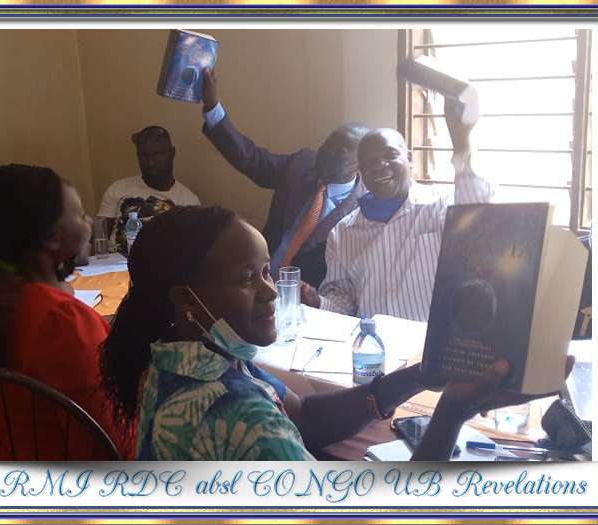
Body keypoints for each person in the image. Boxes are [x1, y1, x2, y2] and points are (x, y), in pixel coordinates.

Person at [98, 205, 566, 461]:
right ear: (185, 299)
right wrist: (450, 415)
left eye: (267, 272)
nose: (269, 292)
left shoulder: (181, 360)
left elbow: (304, 415)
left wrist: (419, 376)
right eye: (246, 279)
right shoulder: (242, 418)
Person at [0, 164, 133, 460]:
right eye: (80, 215)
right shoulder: (60, 321)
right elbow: (115, 448)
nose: (88, 222)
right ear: (53, 238)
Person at [302, 99, 495, 321]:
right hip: (373, 342)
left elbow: (480, 217)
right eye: (370, 162)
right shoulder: (342, 233)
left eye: (391, 155)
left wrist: (462, 142)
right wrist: (319, 302)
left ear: (409, 158)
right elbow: (345, 301)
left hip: (428, 340)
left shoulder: (441, 207)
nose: (380, 166)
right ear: (360, 170)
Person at [200, 68, 369, 288]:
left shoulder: (363, 209)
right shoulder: (302, 164)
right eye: (328, 144)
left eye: (340, 153)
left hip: (308, 297)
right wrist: (212, 106)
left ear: (360, 164)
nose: (328, 153)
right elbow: (250, 158)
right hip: (257, 281)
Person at [96, 125, 200, 255]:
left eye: (157, 154)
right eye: (144, 156)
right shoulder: (118, 188)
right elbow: (99, 236)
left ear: (172, 153)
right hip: (112, 264)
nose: (151, 162)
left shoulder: (189, 202)